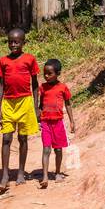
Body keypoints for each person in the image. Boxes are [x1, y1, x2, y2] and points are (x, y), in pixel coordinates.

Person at [0, 27, 40, 193]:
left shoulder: (30, 59)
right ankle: (5, 174)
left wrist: (36, 106)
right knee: (6, 138)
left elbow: (35, 85)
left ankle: (20, 171)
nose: (13, 45)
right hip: (8, 103)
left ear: (23, 43)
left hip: (25, 102)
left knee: (23, 138)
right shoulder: (3, 61)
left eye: (17, 42)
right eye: (10, 42)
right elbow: (0, 86)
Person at [37, 58, 75, 188]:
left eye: (50, 73)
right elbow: (40, 104)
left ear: (57, 73)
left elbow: (68, 104)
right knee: (46, 149)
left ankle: (58, 172)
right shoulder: (43, 88)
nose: (46, 76)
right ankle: (45, 176)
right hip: (46, 122)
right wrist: (39, 116)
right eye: (45, 73)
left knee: (58, 149)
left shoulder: (63, 88)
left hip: (58, 123)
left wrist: (72, 121)